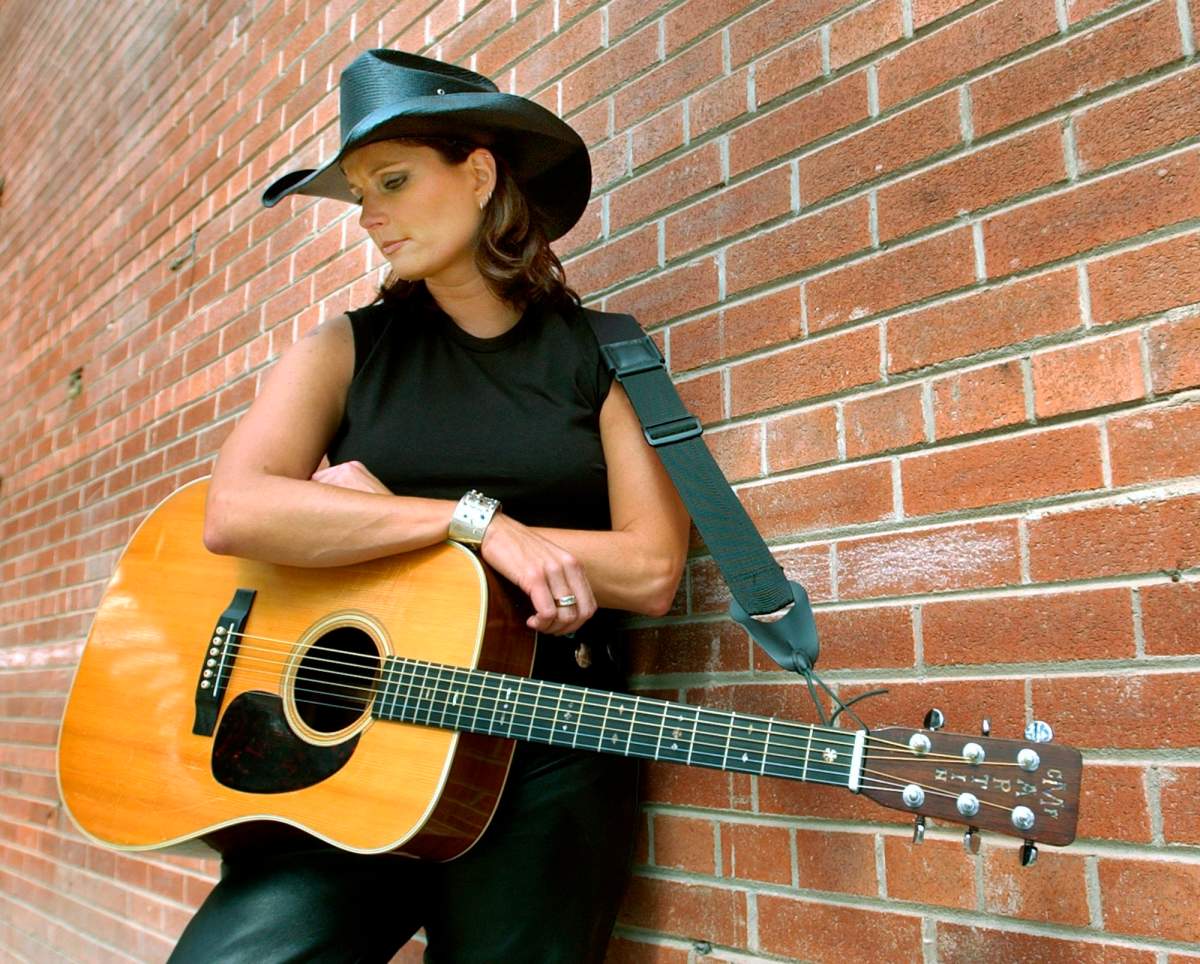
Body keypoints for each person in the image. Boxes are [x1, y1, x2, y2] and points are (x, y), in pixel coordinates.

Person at [169, 49, 690, 963]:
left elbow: (649, 568)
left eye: (394, 182)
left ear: (480, 174)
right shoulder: (347, 349)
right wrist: (474, 522)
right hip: (360, 734)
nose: (370, 217)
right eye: (360, 194)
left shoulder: (608, 357)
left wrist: (389, 512)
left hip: (549, 738)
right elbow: (235, 511)